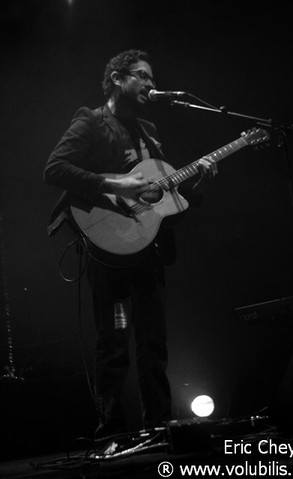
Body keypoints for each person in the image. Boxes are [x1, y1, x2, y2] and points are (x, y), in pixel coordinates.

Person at [43, 49, 216, 438]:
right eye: (142, 76)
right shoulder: (90, 121)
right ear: (117, 79)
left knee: (154, 345)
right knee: (115, 343)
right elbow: (54, 169)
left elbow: (166, 205)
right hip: (111, 253)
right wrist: (114, 182)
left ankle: (159, 427)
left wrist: (200, 185)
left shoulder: (150, 133)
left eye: (153, 79)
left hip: (149, 249)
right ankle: (112, 434)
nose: (151, 85)